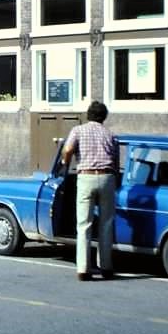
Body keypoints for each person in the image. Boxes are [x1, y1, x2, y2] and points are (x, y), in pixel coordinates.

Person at [61, 101, 119, 281]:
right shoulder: (110, 134)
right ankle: (106, 267)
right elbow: (115, 160)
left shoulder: (78, 131)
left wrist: (66, 162)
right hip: (107, 177)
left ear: (88, 114)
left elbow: (68, 149)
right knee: (106, 224)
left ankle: (84, 269)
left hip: (86, 176)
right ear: (104, 117)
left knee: (84, 224)